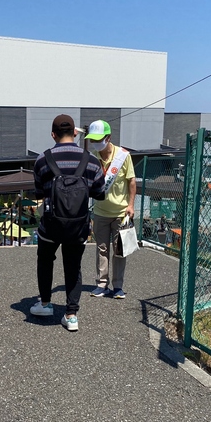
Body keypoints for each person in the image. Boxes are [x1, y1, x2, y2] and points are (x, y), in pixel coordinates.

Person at [30, 114, 105, 331]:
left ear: (53, 135)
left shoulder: (42, 160)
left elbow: (38, 193)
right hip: (78, 226)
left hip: (50, 225)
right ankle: (71, 315)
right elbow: (99, 193)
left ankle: (45, 303)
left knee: (45, 260)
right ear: (75, 133)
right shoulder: (90, 160)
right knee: (73, 267)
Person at [85, 120, 136, 300]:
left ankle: (118, 286)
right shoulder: (91, 157)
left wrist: (131, 205)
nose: (96, 143)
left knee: (119, 250)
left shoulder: (123, 156)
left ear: (108, 138)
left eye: (99, 139)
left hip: (121, 212)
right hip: (100, 212)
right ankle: (101, 284)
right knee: (102, 249)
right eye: (93, 139)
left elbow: (131, 181)